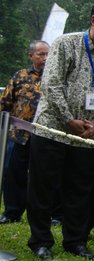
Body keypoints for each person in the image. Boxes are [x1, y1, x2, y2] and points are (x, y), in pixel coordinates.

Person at [26, 0, 94, 260]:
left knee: (80, 191)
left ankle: (75, 240)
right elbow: (51, 84)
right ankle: (40, 241)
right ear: (93, 21)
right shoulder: (66, 44)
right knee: (43, 188)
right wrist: (69, 119)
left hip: (86, 137)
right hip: (52, 130)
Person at [0, 40, 48, 225]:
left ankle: (44, 214)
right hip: (18, 135)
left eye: (47, 54)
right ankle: (12, 212)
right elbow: (5, 102)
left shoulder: (54, 77)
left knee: (42, 176)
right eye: (40, 54)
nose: (44, 58)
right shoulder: (20, 76)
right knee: (13, 173)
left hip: (43, 136)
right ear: (31, 56)